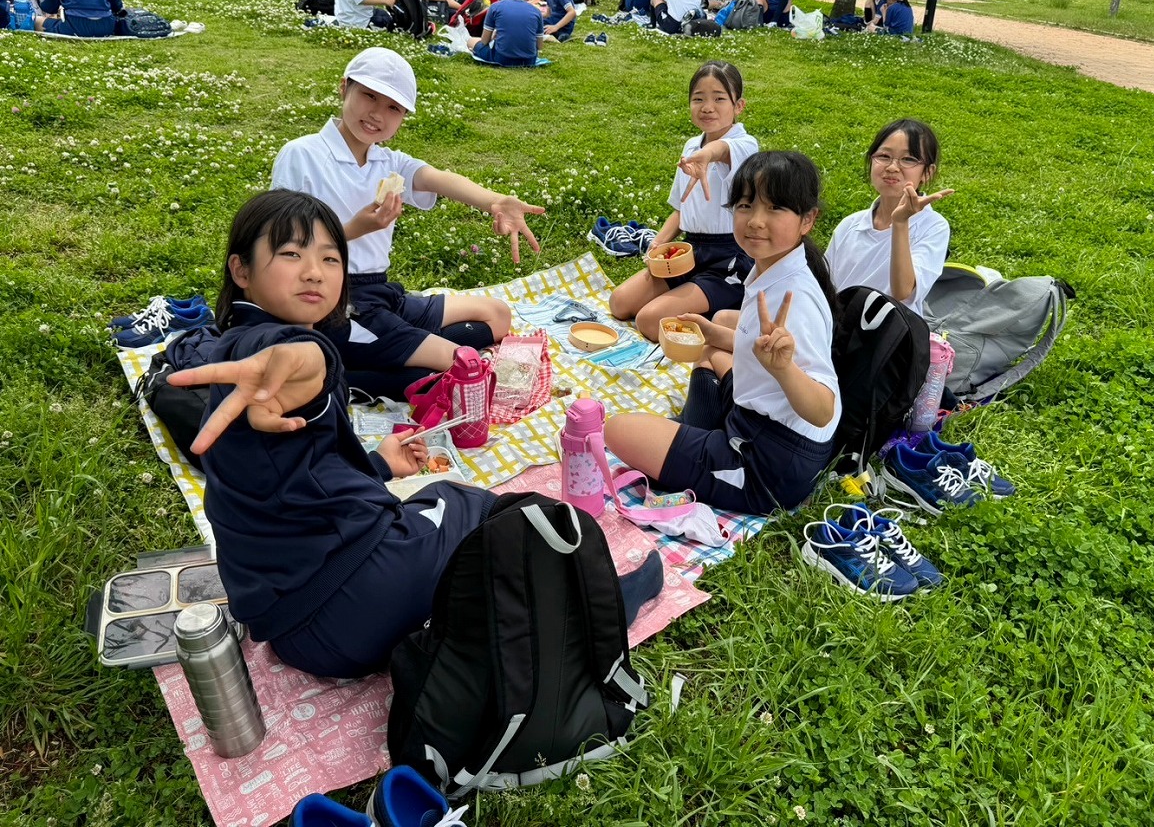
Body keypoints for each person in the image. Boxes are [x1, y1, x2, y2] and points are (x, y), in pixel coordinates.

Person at [168, 190, 663, 679]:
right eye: (291, 254)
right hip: (353, 597)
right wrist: (309, 360)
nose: (314, 271)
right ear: (241, 270)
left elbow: (300, 473)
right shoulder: (273, 352)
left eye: (330, 258)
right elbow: (295, 357)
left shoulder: (233, 349)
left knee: (432, 507)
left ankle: (457, 623)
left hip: (293, 630)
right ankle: (597, 610)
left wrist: (379, 465)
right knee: (500, 512)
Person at [271, 47, 543, 374]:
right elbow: (283, 246)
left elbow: (437, 179)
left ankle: (385, 351)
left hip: (381, 293)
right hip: (333, 300)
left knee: (498, 315)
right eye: (369, 96)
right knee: (455, 365)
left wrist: (494, 201)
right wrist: (355, 229)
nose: (377, 114)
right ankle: (370, 358)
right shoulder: (302, 155)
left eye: (393, 107)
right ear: (344, 88)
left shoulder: (389, 161)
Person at [604, 151, 841, 515]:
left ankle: (695, 451)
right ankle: (693, 441)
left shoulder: (794, 299)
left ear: (807, 219)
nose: (756, 221)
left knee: (617, 430)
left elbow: (823, 410)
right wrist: (714, 333)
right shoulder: (773, 268)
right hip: (759, 421)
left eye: (775, 208)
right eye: (745, 205)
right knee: (709, 351)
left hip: (769, 465)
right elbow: (753, 350)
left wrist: (783, 370)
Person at [609, 61, 757, 342]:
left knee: (649, 321)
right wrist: (657, 245)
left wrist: (707, 155)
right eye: (698, 99)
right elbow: (681, 209)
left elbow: (722, 150)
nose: (707, 107)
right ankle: (700, 304)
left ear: (738, 106)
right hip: (689, 252)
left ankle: (727, 320)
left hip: (729, 259)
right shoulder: (691, 146)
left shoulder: (746, 145)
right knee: (620, 303)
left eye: (719, 99)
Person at [825, 119, 953, 315]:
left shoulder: (933, 226)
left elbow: (903, 292)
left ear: (927, 172)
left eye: (908, 159)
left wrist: (900, 222)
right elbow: (823, 287)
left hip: (891, 331)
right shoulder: (850, 225)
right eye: (884, 156)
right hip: (837, 327)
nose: (892, 167)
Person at [465, 0, 544, 67]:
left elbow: (484, 41)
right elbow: (539, 46)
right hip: (529, 60)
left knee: (471, 41)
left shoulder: (495, 7)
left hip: (501, 58)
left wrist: (494, 37)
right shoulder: (536, 12)